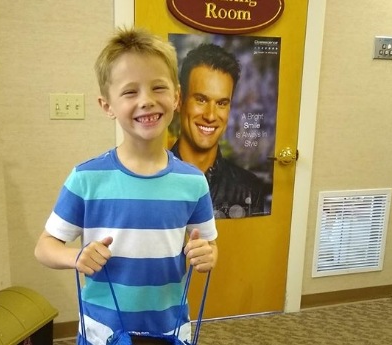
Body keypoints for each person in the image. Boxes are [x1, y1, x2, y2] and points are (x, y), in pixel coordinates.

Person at [34, 27, 218, 345]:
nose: (146, 101)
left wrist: (208, 255)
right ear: (107, 106)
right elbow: (44, 247)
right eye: (130, 92)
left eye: (157, 88)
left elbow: (210, 246)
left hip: (169, 328)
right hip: (103, 331)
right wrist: (76, 258)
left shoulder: (193, 181)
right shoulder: (86, 178)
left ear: (176, 97)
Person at [170, 43, 265, 219]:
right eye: (201, 100)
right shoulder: (151, 179)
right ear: (179, 100)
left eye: (221, 103)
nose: (211, 116)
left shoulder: (251, 189)